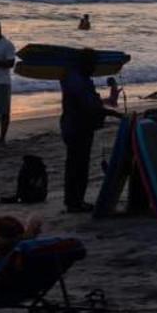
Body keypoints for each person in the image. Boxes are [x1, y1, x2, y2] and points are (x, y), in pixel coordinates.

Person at [59, 51, 122, 211]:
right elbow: (89, 106)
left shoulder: (73, 77)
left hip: (72, 126)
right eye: (92, 64)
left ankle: (73, 201)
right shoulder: (78, 81)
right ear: (85, 64)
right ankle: (75, 202)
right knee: (79, 165)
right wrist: (113, 113)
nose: (94, 68)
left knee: (74, 164)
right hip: (78, 127)